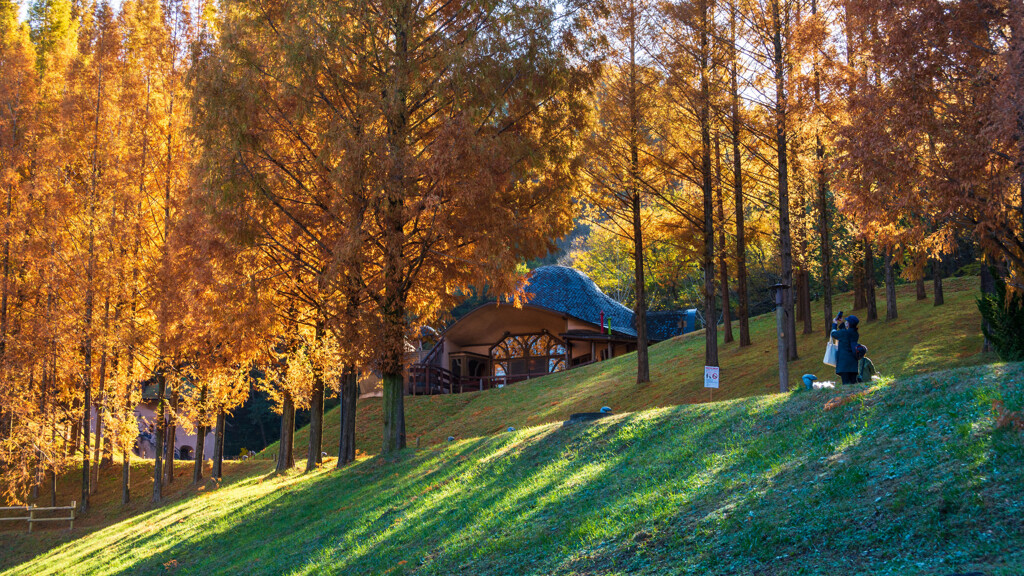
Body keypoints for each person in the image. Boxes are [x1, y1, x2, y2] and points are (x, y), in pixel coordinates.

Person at [831, 312, 860, 385]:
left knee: (846, 384)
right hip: (853, 363)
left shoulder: (844, 333)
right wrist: (842, 323)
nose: (846, 321)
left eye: (847, 321)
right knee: (854, 384)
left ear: (849, 324)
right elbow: (846, 334)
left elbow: (833, 334)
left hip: (844, 364)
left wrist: (834, 324)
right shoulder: (855, 334)